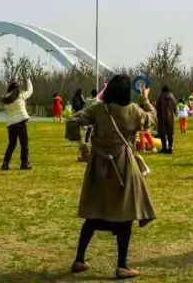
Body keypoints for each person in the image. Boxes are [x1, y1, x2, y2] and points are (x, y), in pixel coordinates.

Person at [66, 74, 156, 279]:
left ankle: (79, 259)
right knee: (125, 215)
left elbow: (73, 121)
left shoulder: (99, 109)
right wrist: (145, 99)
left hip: (98, 165)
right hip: (123, 165)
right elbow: (151, 120)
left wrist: (81, 143)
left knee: (94, 214)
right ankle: (122, 265)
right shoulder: (133, 110)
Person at [1, 78, 33, 171]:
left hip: (11, 124)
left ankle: (5, 163)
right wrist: (28, 80)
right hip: (21, 122)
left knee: (11, 144)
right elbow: (30, 91)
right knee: (24, 144)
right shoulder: (21, 96)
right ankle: (24, 163)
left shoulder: (5, 99)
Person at [155, 86, 177, 154]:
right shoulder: (172, 97)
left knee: (162, 133)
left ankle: (164, 148)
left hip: (162, 117)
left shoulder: (160, 96)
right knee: (170, 133)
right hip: (170, 117)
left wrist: (157, 114)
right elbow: (175, 107)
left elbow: (157, 107)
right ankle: (170, 148)